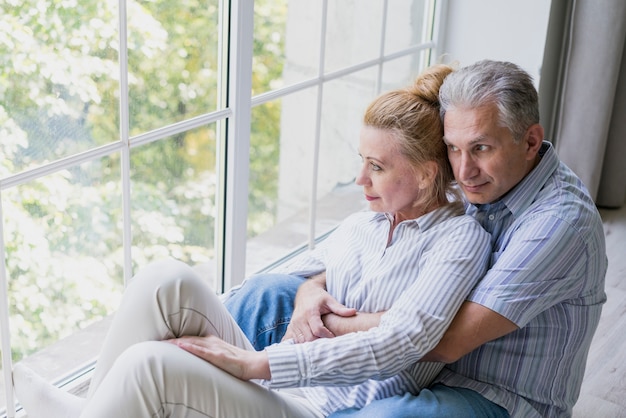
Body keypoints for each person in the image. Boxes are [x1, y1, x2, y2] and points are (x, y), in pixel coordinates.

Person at [12, 64, 493, 417]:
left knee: (150, 365)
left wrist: (257, 363)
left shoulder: (458, 239)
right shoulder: (364, 224)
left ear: (428, 173)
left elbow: (405, 339)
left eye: (378, 167)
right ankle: (90, 409)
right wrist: (309, 293)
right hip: (283, 388)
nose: (359, 178)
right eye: (362, 159)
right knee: (165, 280)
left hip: (323, 408)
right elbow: (306, 270)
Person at [225, 59, 608, 418]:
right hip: (412, 365)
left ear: (529, 142)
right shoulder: (476, 182)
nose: (463, 169)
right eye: (452, 149)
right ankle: (199, 380)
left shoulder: (559, 224)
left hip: (488, 393)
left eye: (481, 148)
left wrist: (325, 323)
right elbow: (356, 253)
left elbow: (439, 341)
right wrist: (311, 290)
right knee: (263, 294)